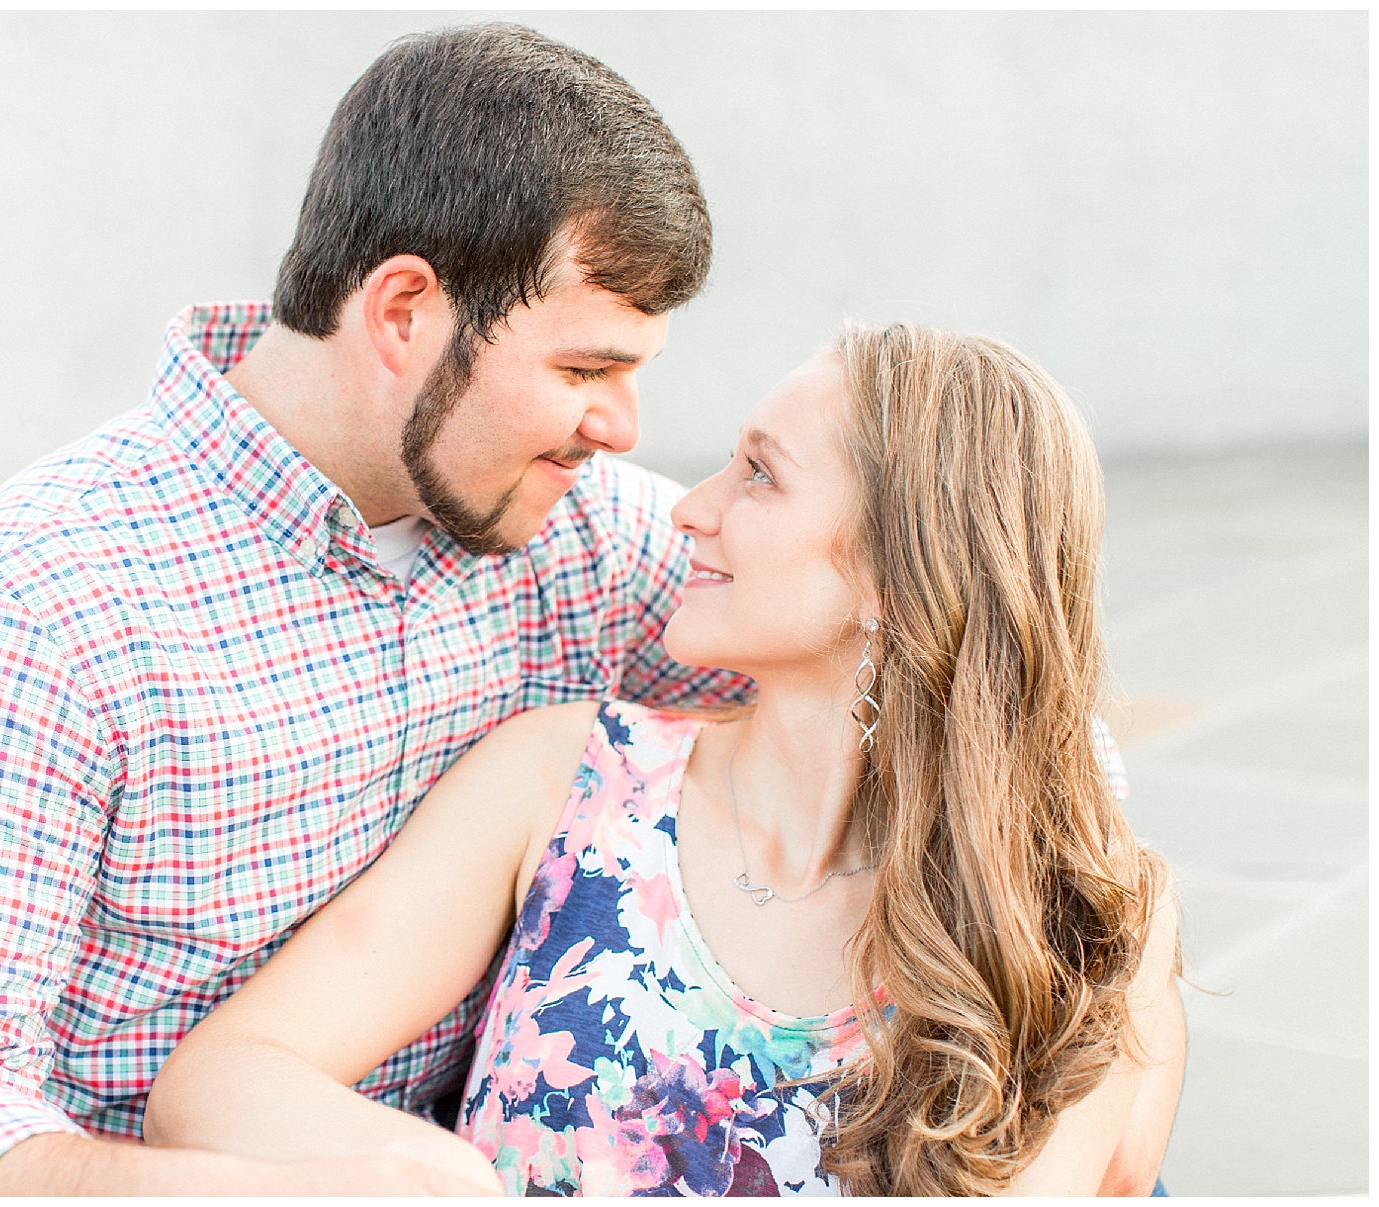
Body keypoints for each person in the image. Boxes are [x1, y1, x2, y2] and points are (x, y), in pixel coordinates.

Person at [0, 23, 760, 1197]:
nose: (622, 428)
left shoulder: (576, 529)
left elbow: (879, 644)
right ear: (404, 312)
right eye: (584, 371)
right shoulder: (43, 594)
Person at [142, 323, 1186, 1196]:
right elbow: (220, 1077)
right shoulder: (567, 784)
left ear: (896, 577)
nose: (690, 506)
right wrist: (435, 1175)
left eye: (760, 476)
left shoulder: (1081, 923)